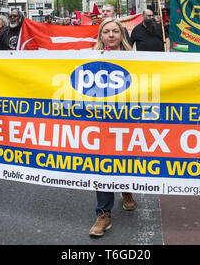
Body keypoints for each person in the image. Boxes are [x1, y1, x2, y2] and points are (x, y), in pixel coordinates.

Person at [89, 17, 136, 237]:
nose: (110, 35)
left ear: (121, 35)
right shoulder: (90, 59)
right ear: (100, 35)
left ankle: (126, 190)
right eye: (106, 31)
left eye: (115, 31)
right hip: (101, 121)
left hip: (127, 120)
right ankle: (103, 213)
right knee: (102, 164)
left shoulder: (136, 59)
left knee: (126, 159)